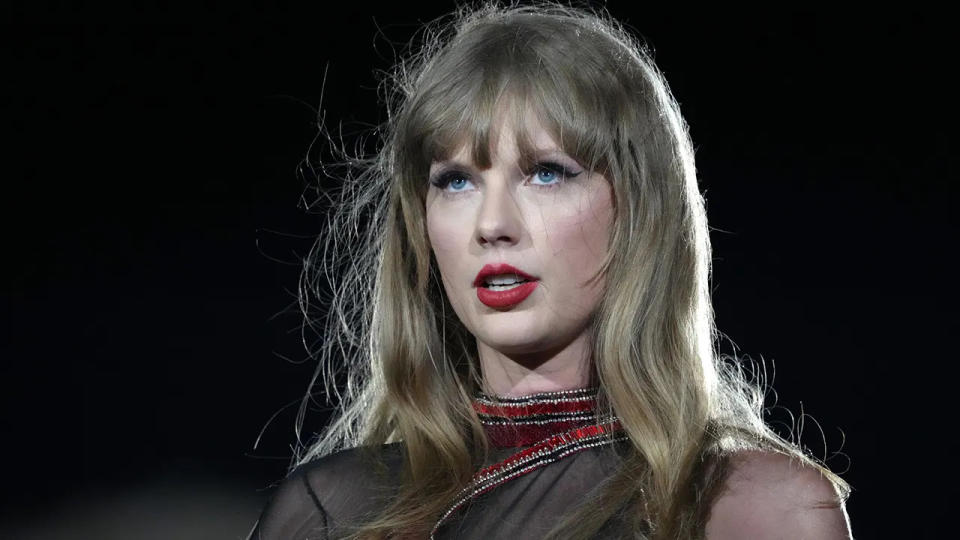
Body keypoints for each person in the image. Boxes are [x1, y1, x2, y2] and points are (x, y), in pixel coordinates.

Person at [249, 3, 853, 539]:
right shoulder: (329, 513)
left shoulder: (753, 511)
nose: (492, 223)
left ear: (640, 211)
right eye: (456, 181)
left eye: (546, 172)